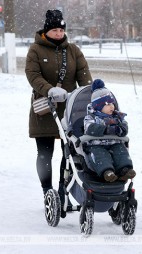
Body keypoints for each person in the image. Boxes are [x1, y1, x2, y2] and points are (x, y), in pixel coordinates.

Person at [25, 9, 93, 202]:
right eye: (55, 30)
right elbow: (33, 75)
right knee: (45, 153)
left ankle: (64, 189)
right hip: (45, 109)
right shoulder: (35, 50)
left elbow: (83, 74)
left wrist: (89, 92)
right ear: (47, 31)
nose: (59, 33)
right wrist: (49, 90)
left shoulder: (73, 50)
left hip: (70, 111)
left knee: (70, 153)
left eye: (61, 30)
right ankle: (48, 192)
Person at [83, 79, 136, 182]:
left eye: (112, 103)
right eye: (108, 104)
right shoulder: (91, 117)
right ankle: (107, 172)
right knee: (100, 155)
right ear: (98, 106)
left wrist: (119, 129)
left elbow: (124, 127)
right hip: (97, 145)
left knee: (121, 151)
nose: (112, 106)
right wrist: (106, 129)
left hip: (114, 143)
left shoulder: (117, 116)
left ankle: (125, 170)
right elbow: (89, 128)